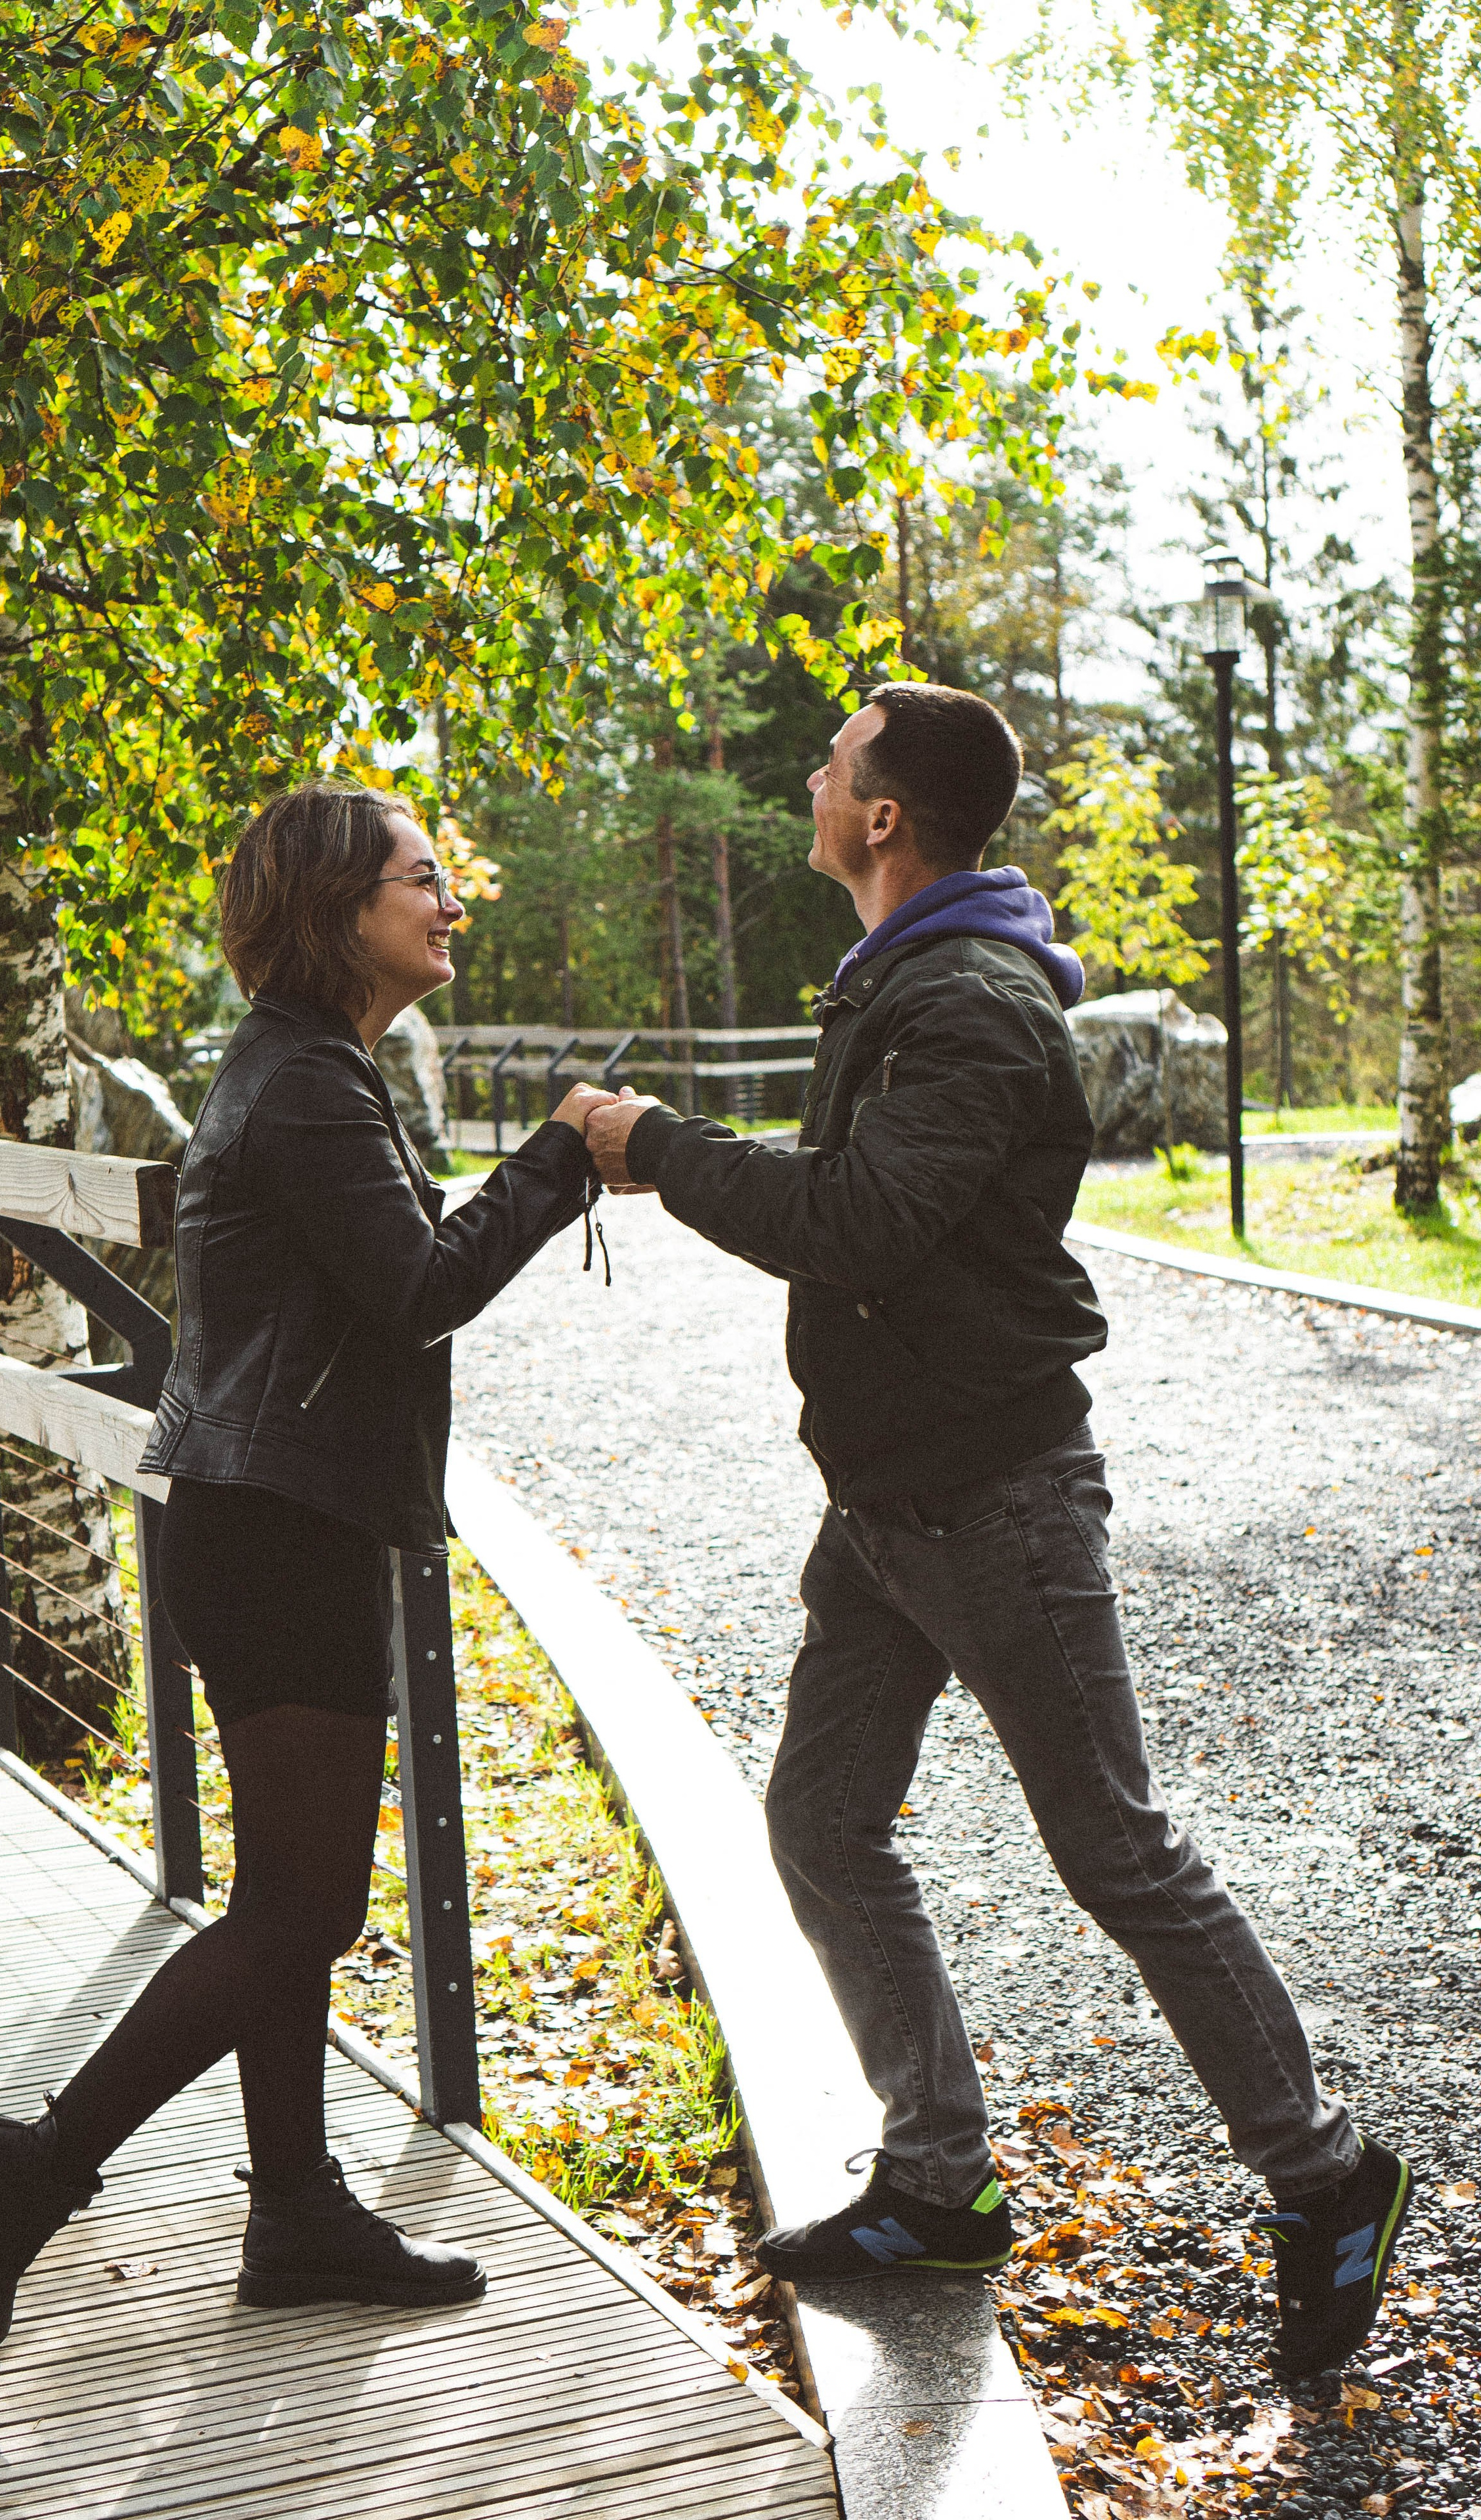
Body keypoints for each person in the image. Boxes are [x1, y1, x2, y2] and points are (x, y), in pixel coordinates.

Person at [585, 682, 1413, 2380]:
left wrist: (656, 1146)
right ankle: (941, 2180)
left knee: (1114, 1847)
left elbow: (866, 1224)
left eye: (833, 761)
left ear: (885, 817)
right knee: (819, 1822)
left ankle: (1328, 2179)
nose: (812, 775)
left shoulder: (963, 997)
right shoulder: (906, 977)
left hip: (1000, 1500)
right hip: (889, 1505)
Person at [0, 782, 615, 2361]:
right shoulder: (306, 1081)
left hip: (272, 1515)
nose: (450, 903)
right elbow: (417, 1288)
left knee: (287, 1902)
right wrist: (562, 1151)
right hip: (278, 1526)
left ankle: (296, 2209)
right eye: (421, 880)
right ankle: (35, 2165)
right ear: (337, 910)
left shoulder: (310, 1067)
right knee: (297, 1910)